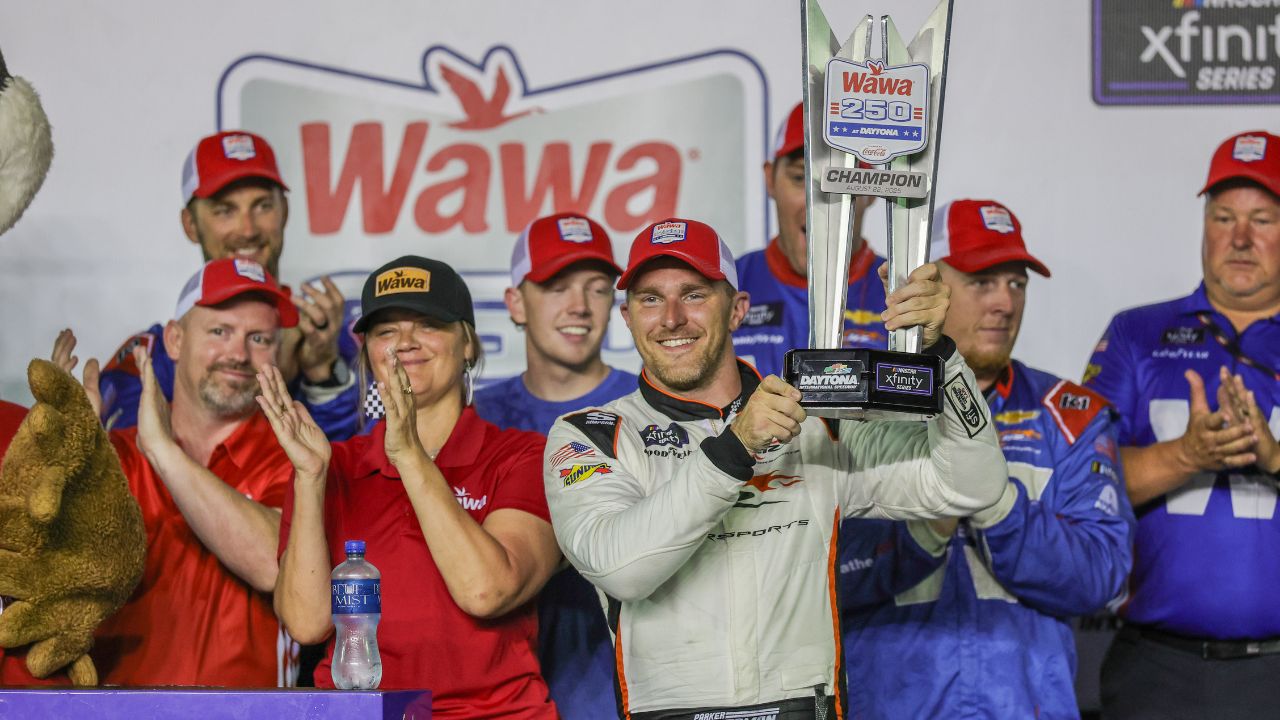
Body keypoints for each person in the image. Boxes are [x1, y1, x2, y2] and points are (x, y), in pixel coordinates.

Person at [542, 217, 1008, 719]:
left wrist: (942, 358)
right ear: (628, 317)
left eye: (694, 294)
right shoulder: (590, 434)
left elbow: (974, 483)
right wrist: (736, 447)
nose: (671, 318)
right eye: (650, 298)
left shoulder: (815, 424)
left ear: (738, 309)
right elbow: (622, 570)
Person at [838, 199, 1136, 719]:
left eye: (1016, 283)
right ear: (925, 286)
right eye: (981, 281)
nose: (1005, 302)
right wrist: (923, 530)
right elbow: (817, 574)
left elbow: (1102, 577)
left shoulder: (1069, 416)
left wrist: (994, 503)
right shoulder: (859, 407)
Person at [266, 255, 560, 718]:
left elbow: (486, 590)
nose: (404, 343)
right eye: (385, 331)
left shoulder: (522, 455)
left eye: (427, 324)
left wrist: (408, 455)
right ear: (365, 352)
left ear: (468, 343)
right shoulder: (332, 465)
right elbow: (306, 623)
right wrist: (309, 477)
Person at [1085, 131, 1280, 718]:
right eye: (1224, 217)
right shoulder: (1135, 334)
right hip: (1158, 672)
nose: (1240, 238)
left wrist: (1273, 458)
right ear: (1203, 224)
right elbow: (1076, 485)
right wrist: (1188, 456)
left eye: (1263, 219)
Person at [54, 130, 358, 438]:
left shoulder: (344, 335)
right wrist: (222, 370)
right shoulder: (153, 354)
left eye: (263, 205)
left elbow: (357, 468)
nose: (248, 229)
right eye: (225, 210)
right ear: (190, 224)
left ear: (285, 212)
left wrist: (322, 372)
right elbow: (132, 466)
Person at [90, 257, 300, 686]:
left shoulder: (300, 456)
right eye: (219, 331)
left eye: (258, 338)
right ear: (174, 340)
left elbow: (277, 566)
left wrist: (164, 453)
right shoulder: (114, 457)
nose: (238, 354)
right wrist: (66, 462)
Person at [474, 213, 635, 719]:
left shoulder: (648, 407)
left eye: (597, 288)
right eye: (556, 287)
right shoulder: (474, 418)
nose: (580, 308)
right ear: (515, 304)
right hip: (500, 695)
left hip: (625, 693)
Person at [732, 102, 884, 377]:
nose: (819, 205)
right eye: (801, 177)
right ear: (770, 180)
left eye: (842, 179)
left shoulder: (907, 294)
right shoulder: (725, 289)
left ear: (872, 188)